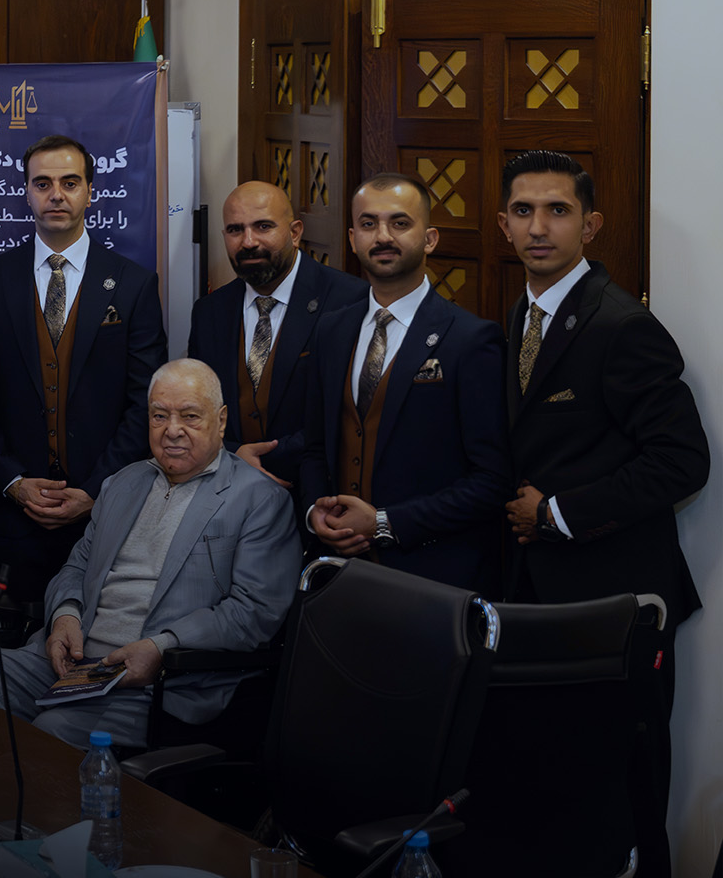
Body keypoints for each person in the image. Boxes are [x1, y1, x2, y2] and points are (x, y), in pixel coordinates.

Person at [496, 150, 707, 878]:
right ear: (502, 224)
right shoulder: (522, 311)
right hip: (543, 598)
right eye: (524, 211)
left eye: (558, 210)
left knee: (627, 795)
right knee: (560, 793)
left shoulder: (622, 325)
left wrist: (557, 512)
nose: (539, 227)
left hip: (617, 601)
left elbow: (684, 462)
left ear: (591, 225)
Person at [0, 358, 300, 748]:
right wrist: (65, 615)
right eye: (159, 415)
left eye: (190, 416)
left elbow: (254, 612)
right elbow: (77, 566)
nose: (172, 430)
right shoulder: (122, 483)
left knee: (54, 731)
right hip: (74, 660)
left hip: (163, 679)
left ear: (222, 419)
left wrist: (161, 647)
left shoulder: (259, 499)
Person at [0, 134, 166, 609]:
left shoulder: (134, 284)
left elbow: (145, 403)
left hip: (105, 517)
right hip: (14, 520)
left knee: (95, 642)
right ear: (27, 193)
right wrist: (13, 482)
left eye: (70, 183)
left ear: (90, 192)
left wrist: (96, 492)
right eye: (43, 183)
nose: (56, 194)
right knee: (14, 645)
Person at [296, 173, 510, 591]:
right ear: (353, 238)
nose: (383, 236)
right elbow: (314, 447)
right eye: (368, 224)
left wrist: (384, 523)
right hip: (338, 574)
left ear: (429, 239)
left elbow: (492, 481)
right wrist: (314, 512)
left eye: (399, 223)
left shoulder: (471, 339)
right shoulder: (330, 331)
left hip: (431, 578)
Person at [186, 181, 364, 487]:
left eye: (263, 226)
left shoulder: (349, 302)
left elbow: (350, 414)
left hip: (316, 493)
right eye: (235, 230)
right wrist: (233, 454)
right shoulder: (209, 312)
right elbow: (198, 408)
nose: (248, 242)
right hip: (226, 489)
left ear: (295, 232)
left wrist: (267, 459)